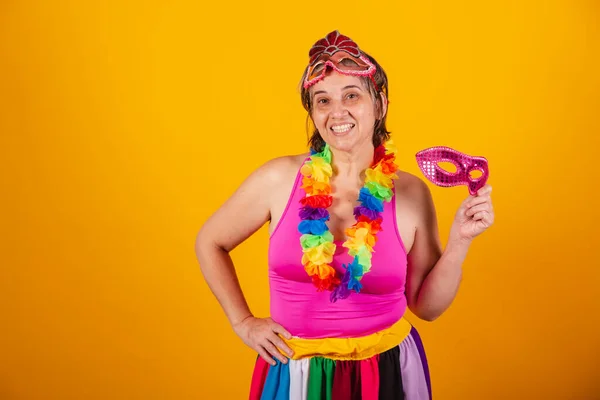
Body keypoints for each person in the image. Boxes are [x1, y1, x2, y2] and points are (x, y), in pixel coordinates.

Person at [195, 30, 495, 399]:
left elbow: (427, 307)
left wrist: (461, 240)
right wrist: (242, 322)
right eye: (323, 100)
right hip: (297, 371)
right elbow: (210, 241)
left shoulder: (412, 192)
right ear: (313, 113)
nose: (337, 111)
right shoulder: (277, 178)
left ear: (379, 103)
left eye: (351, 95)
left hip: (386, 372)